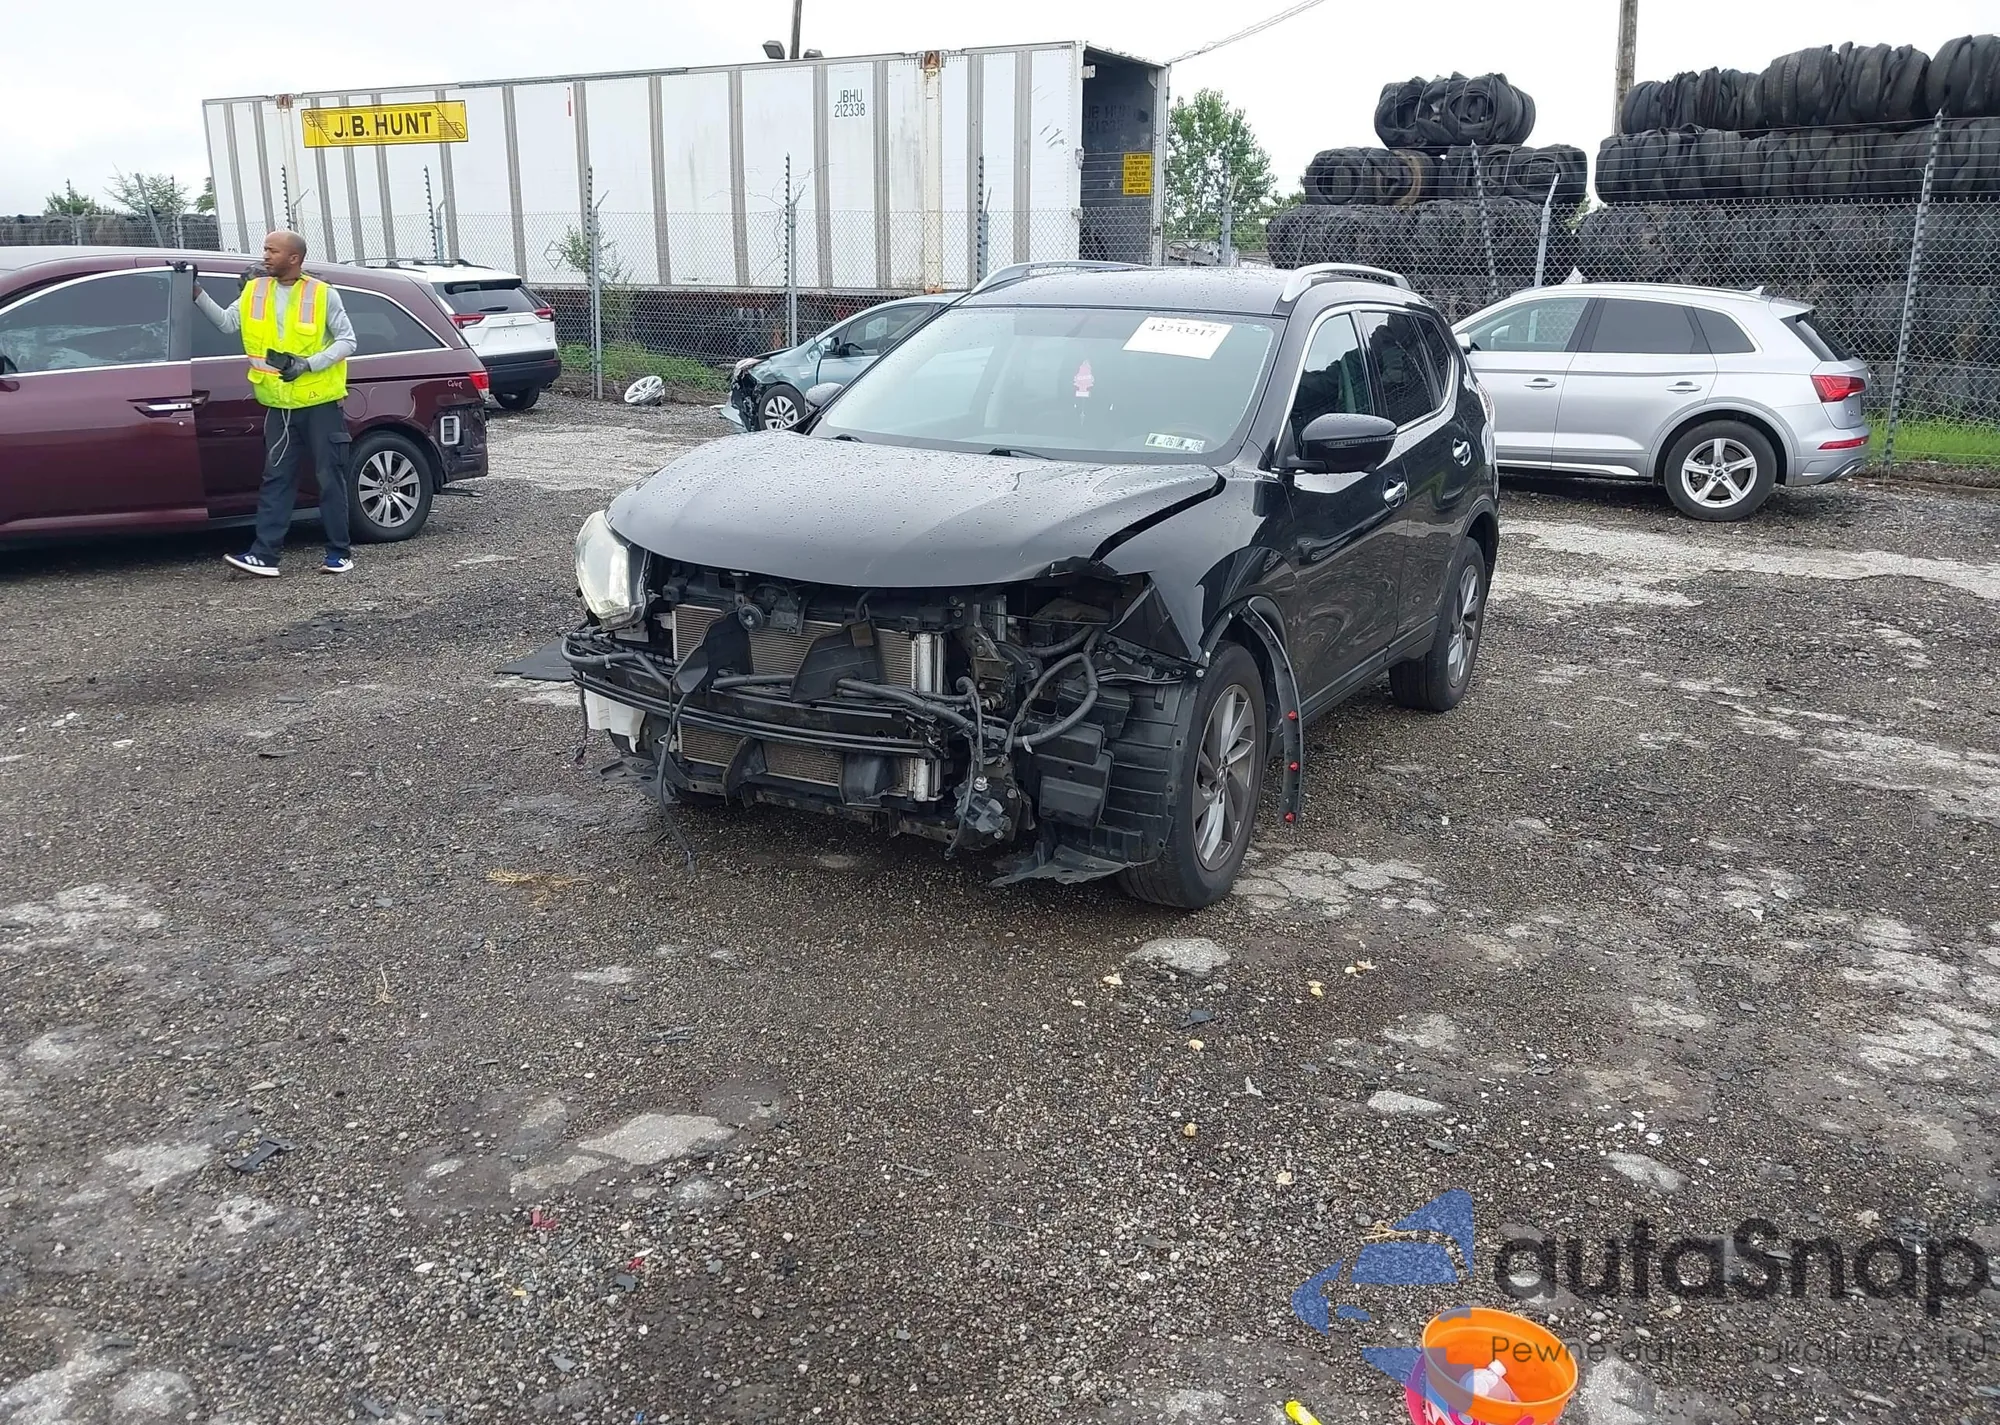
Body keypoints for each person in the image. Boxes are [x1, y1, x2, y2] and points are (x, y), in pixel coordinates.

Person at [196, 230, 358, 576]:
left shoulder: (322, 293)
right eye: (265, 250)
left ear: (294, 258)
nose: (265, 256)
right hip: (278, 405)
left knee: (329, 478)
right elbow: (226, 323)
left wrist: (307, 365)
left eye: (272, 251)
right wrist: (195, 292)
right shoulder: (255, 290)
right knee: (276, 479)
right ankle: (265, 556)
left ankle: (339, 553)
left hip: (319, 403)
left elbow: (348, 341)